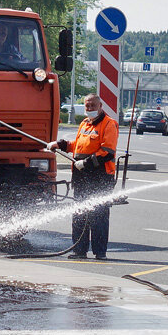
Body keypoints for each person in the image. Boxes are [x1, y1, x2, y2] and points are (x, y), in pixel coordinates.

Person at [46, 93, 118, 259]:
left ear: (100, 106)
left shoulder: (109, 124)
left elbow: (107, 152)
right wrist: (60, 144)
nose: (90, 108)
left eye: (93, 105)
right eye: (87, 106)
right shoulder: (85, 123)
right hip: (81, 178)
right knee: (79, 214)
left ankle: (100, 252)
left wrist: (85, 163)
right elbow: (76, 146)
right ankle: (79, 250)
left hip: (100, 177)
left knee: (98, 215)